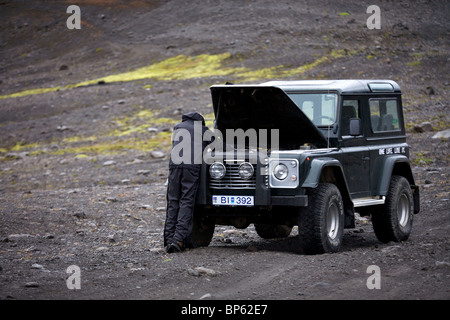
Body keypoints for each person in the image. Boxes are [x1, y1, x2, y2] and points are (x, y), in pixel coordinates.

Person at [164, 112, 209, 253]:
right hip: (191, 167)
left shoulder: (178, 127)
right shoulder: (203, 130)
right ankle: (178, 240)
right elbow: (219, 146)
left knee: (173, 201)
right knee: (186, 201)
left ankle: (168, 238)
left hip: (174, 166)